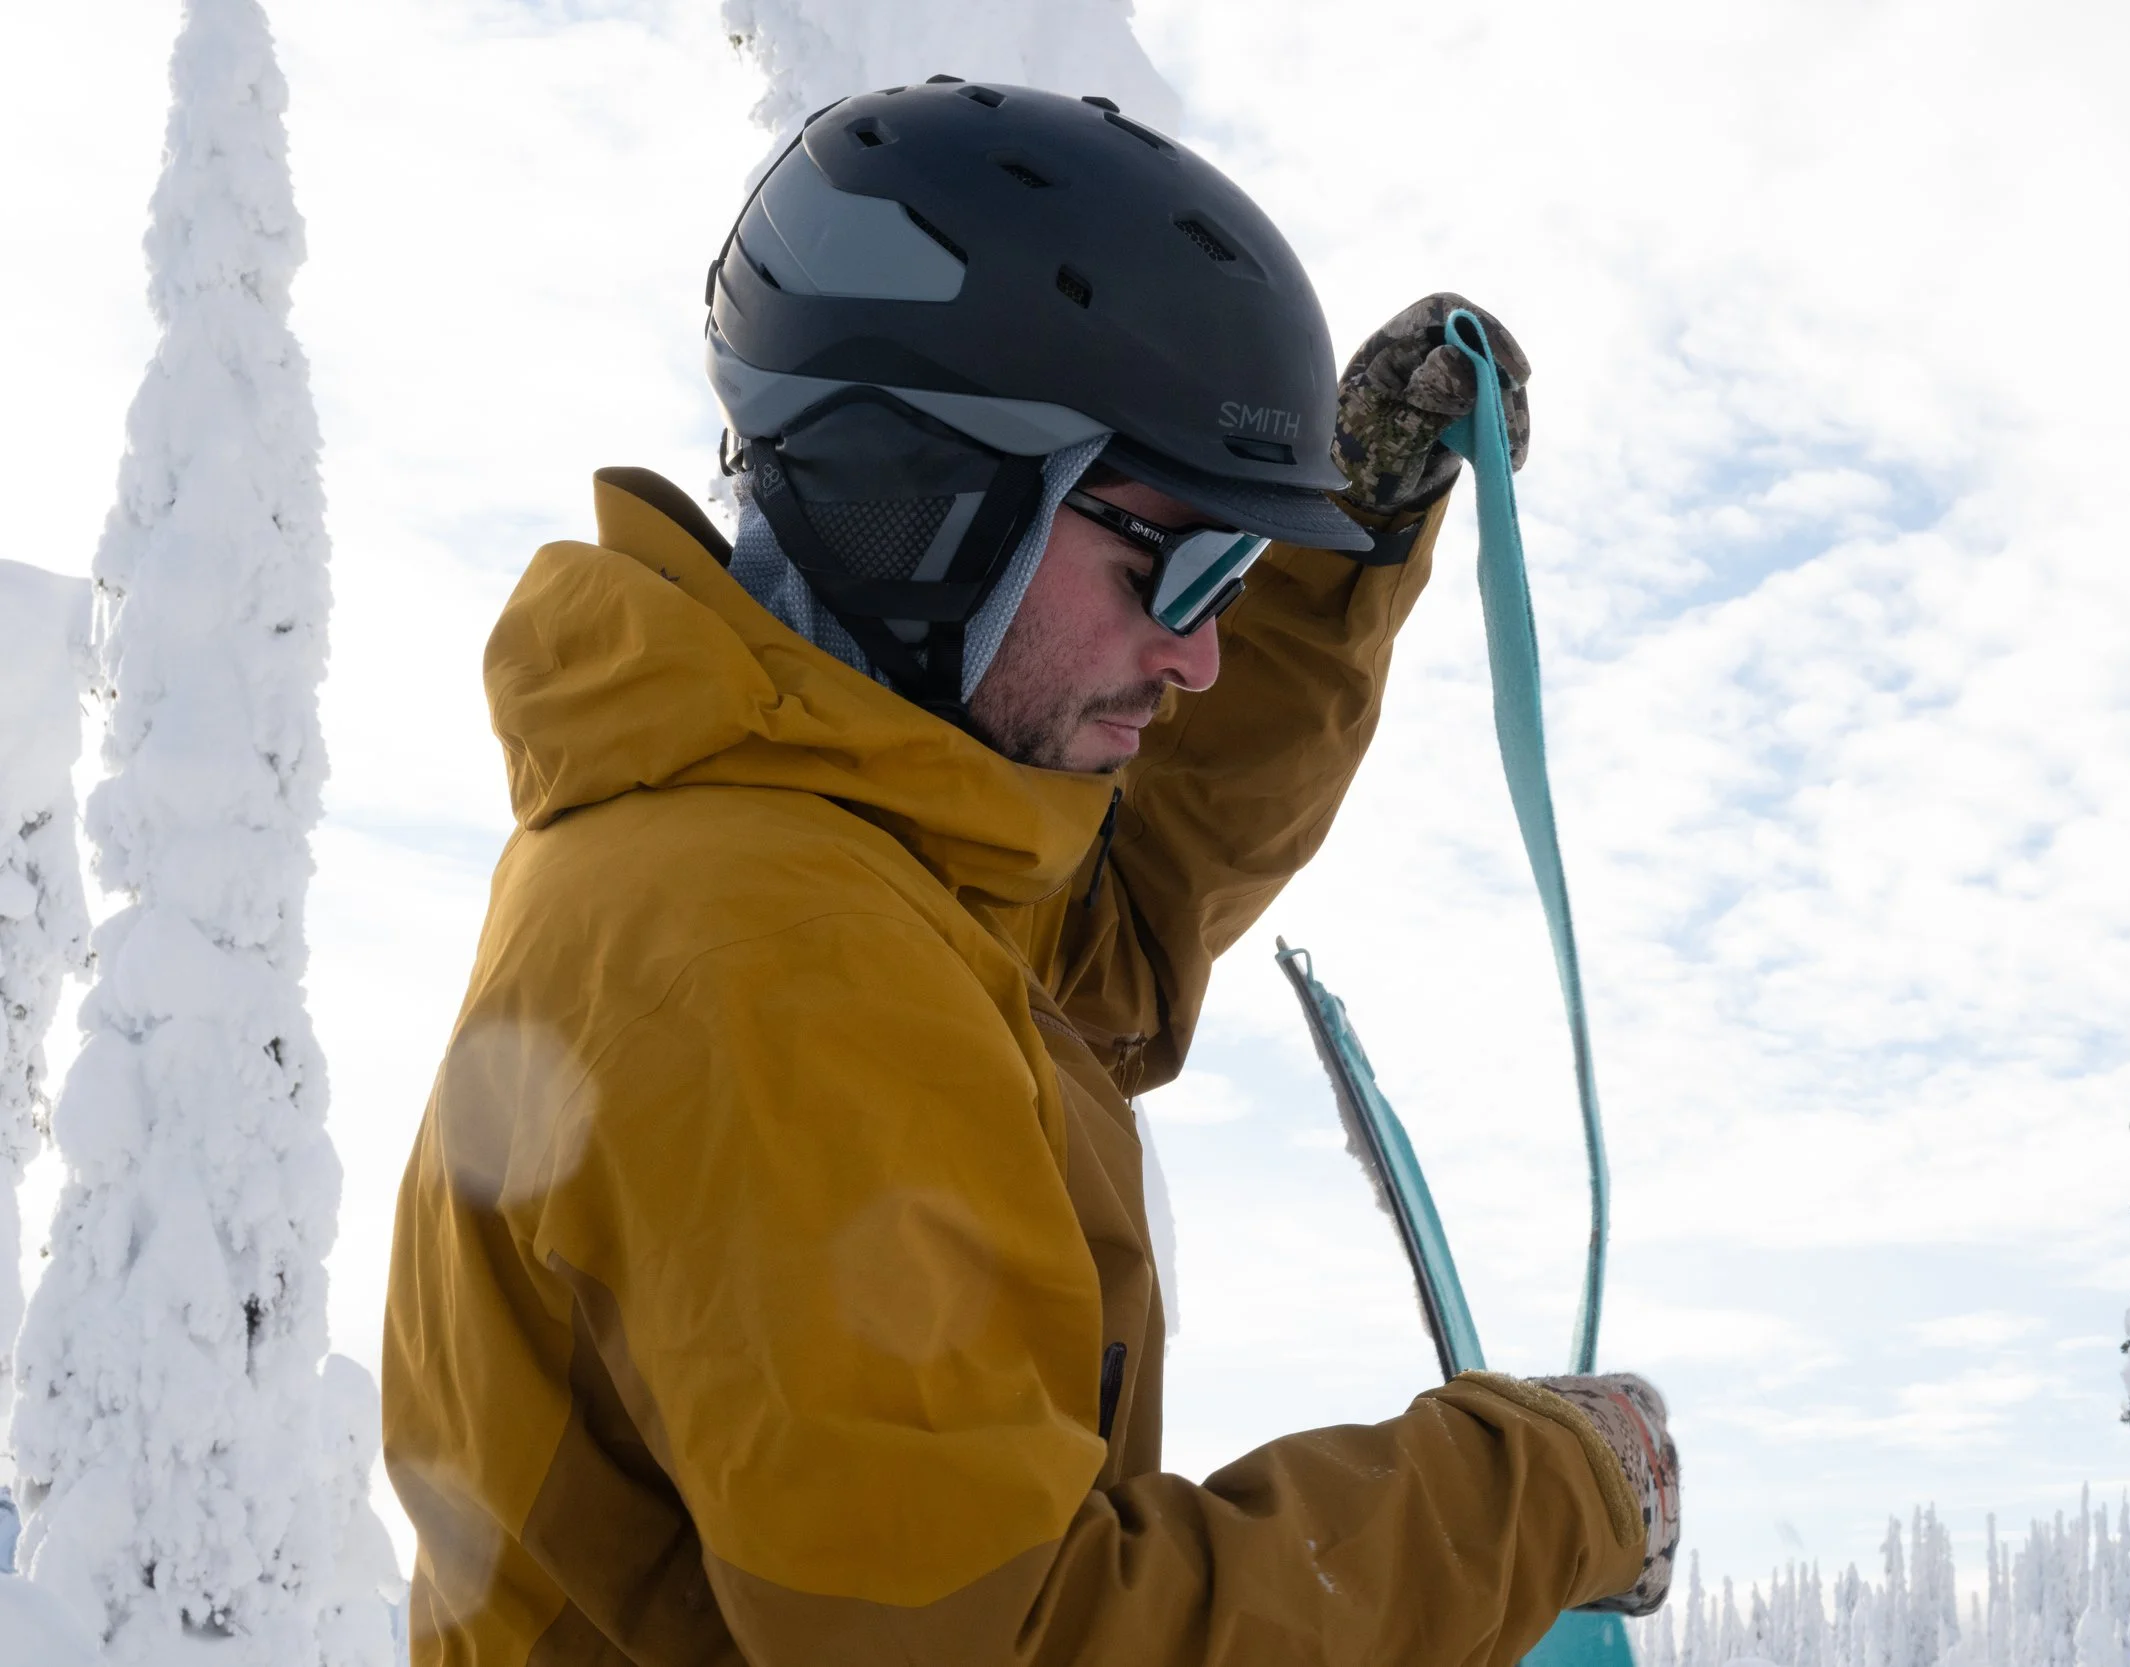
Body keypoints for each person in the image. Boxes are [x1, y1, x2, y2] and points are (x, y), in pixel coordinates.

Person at [384, 79, 1677, 1667]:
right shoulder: (774, 963)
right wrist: (1540, 1491)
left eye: (1239, 574)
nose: (1202, 653)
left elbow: (1099, 962)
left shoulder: (807, 835)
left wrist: (1334, 550)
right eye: (1180, 563)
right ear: (931, 501)